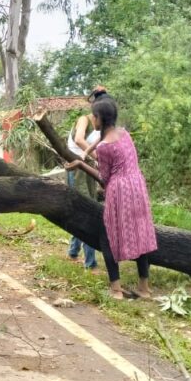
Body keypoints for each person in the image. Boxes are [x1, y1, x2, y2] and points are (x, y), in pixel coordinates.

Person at [65, 97, 157, 300]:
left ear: (98, 119)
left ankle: (116, 289)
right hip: (138, 186)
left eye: (94, 116)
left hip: (120, 191)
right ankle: (144, 288)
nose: (92, 119)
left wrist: (81, 164)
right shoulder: (125, 134)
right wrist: (88, 150)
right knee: (140, 233)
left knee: (109, 237)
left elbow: (104, 179)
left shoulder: (104, 148)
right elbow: (103, 138)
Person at [65, 87, 107, 271]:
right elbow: (79, 139)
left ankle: (73, 251)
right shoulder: (84, 119)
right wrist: (96, 156)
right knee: (86, 213)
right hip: (77, 169)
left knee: (83, 209)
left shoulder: (104, 126)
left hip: (89, 168)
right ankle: (90, 263)